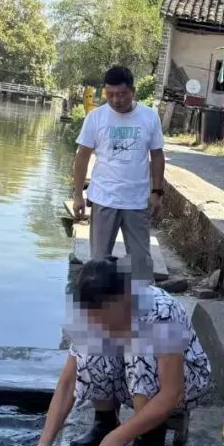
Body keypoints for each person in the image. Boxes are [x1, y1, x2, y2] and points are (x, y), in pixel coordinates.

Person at [20, 258, 211, 446]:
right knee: (90, 352)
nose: (100, 326)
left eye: (106, 319)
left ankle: (149, 443)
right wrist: (44, 445)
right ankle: (105, 421)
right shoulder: (90, 317)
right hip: (132, 378)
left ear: (125, 298)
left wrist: (122, 436)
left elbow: (171, 392)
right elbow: (68, 383)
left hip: (186, 381)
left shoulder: (162, 313)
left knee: (140, 351)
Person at [73, 66, 165, 284]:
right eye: (110, 94)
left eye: (121, 94)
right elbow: (82, 157)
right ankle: (99, 313)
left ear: (133, 91)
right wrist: (78, 194)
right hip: (104, 199)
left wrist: (157, 192)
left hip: (136, 201)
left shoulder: (149, 118)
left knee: (141, 264)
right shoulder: (96, 118)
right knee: (98, 264)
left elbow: (157, 156)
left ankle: (142, 309)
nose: (115, 100)